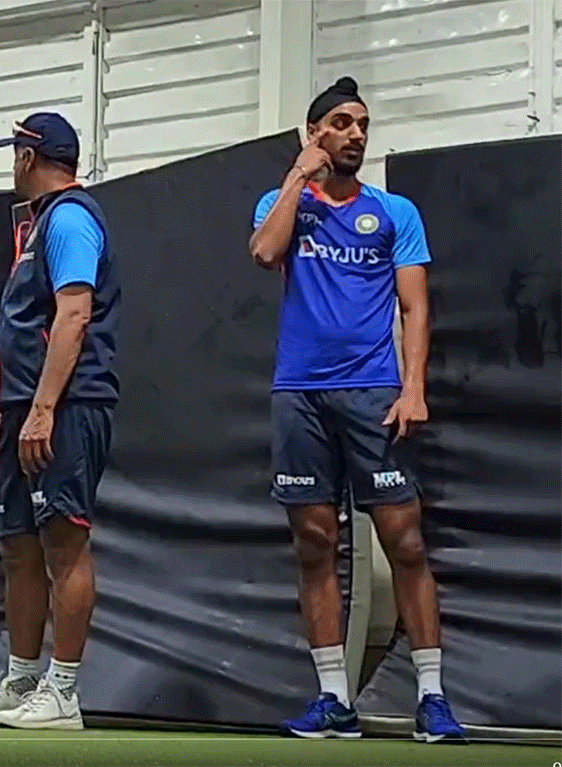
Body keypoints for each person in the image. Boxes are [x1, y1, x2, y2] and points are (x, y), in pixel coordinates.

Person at [248, 76, 466, 743]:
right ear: (315, 133)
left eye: (362, 125)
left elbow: (416, 306)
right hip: (300, 395)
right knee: (315, 545)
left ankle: (431, 695)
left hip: (374, 392)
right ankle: (333, 699)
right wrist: (297, 177)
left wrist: (414, 387)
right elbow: (264, 251)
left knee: (405, 539)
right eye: (340, 123)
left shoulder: (395, 212)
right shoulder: (283, 201)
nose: (356, 135)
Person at [0, 112, 119, 731]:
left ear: (28, 156)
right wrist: (8, 416)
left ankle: (64, 693)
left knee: (62, 543)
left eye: (14, 153)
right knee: (17, 546)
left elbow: (73, 315)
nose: (11, 165)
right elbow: (23, 335)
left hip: (69, 405)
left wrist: (45, 408)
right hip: (27, 408)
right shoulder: (41, 226)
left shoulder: (70, 219)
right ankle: (21, 681)